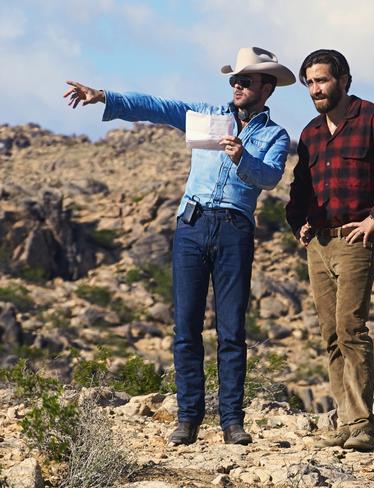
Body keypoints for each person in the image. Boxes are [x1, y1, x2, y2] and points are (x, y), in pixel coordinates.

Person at [64, 47, 295, 446]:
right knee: (186, 328)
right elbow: (159, 106)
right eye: (234, 80)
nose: (237, 86)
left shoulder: (276, 135)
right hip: (192, 224)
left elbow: (271, 177)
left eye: (246, 80)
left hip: (235, 230)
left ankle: (231, 423)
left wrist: (243, 159)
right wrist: (104, 96)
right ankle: (188, 419)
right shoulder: (209, 115)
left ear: (267, 87)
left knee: (231, 331)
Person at [286, 49, 374, 451]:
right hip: (319, 243)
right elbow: (299, 187)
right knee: (330, 333)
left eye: (323, 80)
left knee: (351, 327)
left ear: (344, 80)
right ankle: (346, 422)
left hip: (354, 240)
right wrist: (300, 222)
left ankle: (363, 424)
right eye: (310, 83)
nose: (316, 89)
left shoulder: (372, 117)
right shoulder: (311, 132)